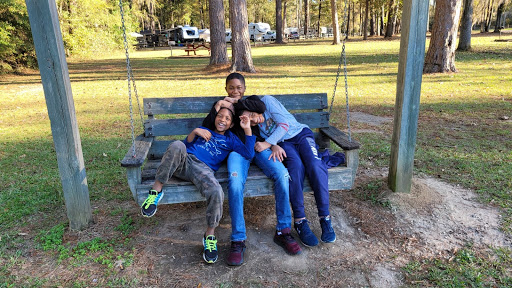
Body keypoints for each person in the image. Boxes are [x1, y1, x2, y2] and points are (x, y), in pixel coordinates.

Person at [202, 73, 302, 266]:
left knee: (282, 174)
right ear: (225, 89)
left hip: (258, 147)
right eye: (231, 88)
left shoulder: (251, 101)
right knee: (235, 182)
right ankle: (238, 239)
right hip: (237, 151)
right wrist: (221, 104)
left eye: (239, 87)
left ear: (245, 88)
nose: (235, 91)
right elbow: (209, 125)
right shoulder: (222, 106)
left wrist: (271, 143)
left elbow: (262, 112)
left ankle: (283, 231)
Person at [140, 106, 255, 264]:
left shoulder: (231, 139)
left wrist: (247, 128)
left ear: (231, 124)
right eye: (220, 116)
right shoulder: (203, 130)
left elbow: (248, 153)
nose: (222, 120)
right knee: (176, 145)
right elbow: (183, 146)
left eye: (227, 118)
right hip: (185, 163)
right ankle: (156, 191)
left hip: (203, 171)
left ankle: (209, 235)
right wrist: (195, 132)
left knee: (216, 191)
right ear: (215, 118)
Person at [237, 95, 336, 247]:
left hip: (301, 134)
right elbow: (259, 142)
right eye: (249, 120)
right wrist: (273, 145)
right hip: (285, 144)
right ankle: (300, 221)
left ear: (254, 108)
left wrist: (268, 143)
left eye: (252, 115)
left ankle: (325, 218)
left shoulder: (267, 101)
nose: (254, 120)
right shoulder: (253, 126)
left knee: (315, 166)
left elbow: (284, 125)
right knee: (295, 169)